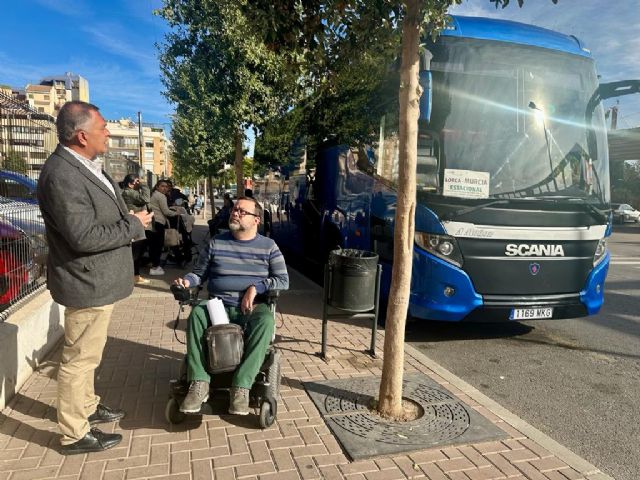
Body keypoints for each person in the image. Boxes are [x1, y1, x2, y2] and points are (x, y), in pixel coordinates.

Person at [37, 101, 153, 455]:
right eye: (103, 128)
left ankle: (86, 406)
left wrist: (126, 218)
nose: (108, 133)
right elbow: (83, 237)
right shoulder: (62, 175)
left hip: (96, 281)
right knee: (79, 359)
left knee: (90, 354)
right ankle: (74, 433)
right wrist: (134, 225)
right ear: (82, 134)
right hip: (86, 283)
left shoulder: (81, 165)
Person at [173, 196, 289, 415]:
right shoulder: (217, 242)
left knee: (265, 320)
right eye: (234, 209)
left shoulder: (268, 246)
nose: (235, 213)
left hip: (252, 308)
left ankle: (242, 386)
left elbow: (283, 280)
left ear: (256, 220)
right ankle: (199, 383)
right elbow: (199, 274)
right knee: (197, 313)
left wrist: (257, 288)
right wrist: (187, 281)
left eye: (242, 211)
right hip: (219, 306)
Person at [120, 173, 151, 285]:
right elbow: (146, 199)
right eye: (137, 181)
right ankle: (134, 276)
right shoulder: (129, 192)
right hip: (135, 224)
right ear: (130, 183)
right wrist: (144, 185)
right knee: (136, 253)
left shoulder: (130, 192)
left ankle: (135, 275)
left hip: (137, 223)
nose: (139, 183)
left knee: (138, 252)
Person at [148, 179, 179, 275]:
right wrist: (176, 213)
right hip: (158, 222)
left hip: (152, 222)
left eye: (166, 186)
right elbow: (166, 211)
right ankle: (155, 267)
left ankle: (153, 264)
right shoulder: (161, 196)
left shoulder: (153, 194)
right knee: (158, 245)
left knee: (152, 245)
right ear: (157, 187)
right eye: (162, 186)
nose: (165, 188)